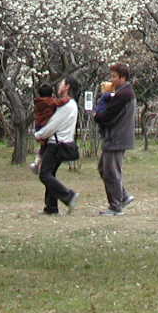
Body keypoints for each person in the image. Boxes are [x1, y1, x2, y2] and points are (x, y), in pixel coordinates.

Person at [92, 62, 137, 216]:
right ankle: (123, 196)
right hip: (115, 137)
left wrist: (97, 113)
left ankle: (116, 205)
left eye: (114, 77)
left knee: (111, 171)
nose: (111, 80)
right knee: (103, 168)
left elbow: (107, 115)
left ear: (123, 78)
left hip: (116, 137)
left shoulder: (124, 94)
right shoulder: (121, 93)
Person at [33, 77, 81, 215]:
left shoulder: (66, 106)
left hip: (57, 145)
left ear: (67, 87)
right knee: (50, 173)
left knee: (44, 174)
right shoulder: (70, 104)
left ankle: (68, 196)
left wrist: (39, 135)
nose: (59, 86)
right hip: (60, 143)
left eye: (61, 83)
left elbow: (53, 125)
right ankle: (51, 208)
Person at [30, 82, 63, 173]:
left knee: (43, 147)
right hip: (51, 130)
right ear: (51, 94)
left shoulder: (38, 103)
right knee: (48, 149)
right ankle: (41, 165)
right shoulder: (53, 103)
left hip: (40, 128)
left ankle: (37, 163)